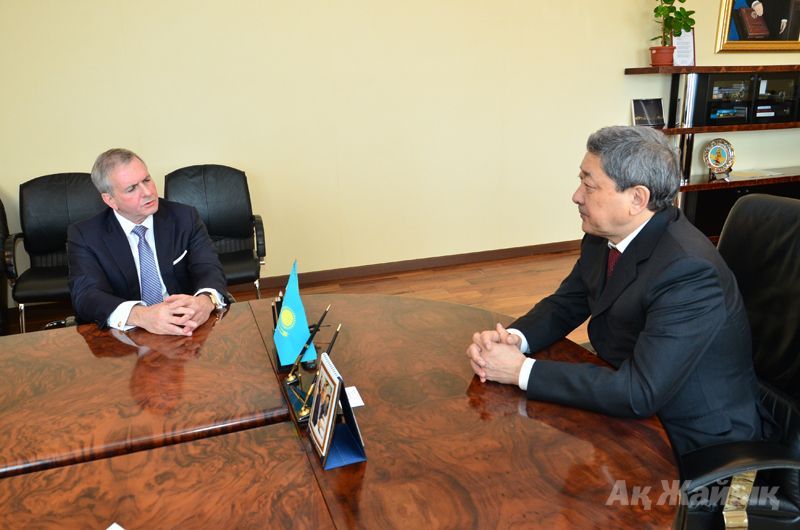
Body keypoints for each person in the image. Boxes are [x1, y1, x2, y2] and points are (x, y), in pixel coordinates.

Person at [466, 126, 771, 455]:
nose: (576, 195)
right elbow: (565, 304)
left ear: (637, 199)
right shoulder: (603, 236)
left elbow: (639, 392)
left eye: (589, 184)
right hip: (636, 402)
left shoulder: (688, 271)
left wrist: (519, 370)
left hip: (695, 436)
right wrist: (514, 339)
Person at [68, 148, 227, 336]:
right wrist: (142, 316)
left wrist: (205, 301)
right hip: (125, 337)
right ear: (110, 200)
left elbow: (209, 268)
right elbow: (87, 296)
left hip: (186, 328)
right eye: (131, 188)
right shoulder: (85, 235)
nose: (147, 192)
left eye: (147, 180)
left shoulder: (185, 217)